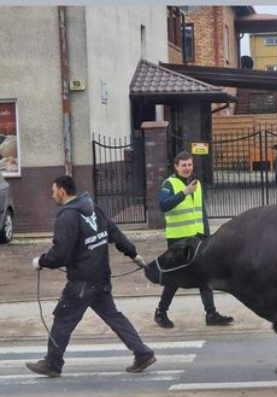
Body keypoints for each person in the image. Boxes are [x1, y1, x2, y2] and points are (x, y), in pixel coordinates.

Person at [26, 176, 156, 378]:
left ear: (62, 191)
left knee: (63, 319)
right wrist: (133, 253)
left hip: (82, 280)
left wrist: (41, 262)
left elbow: (60, 254)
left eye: (53, 191)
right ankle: (143, 353)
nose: (52, 195)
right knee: (113, 316)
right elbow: (114, 232)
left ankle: (52, 363)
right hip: (101, 277)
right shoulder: (93, 208)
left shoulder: (67, 216)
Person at [154, 151, 234, 328]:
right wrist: (183, 193)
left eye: (189, 164)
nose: (187, 168)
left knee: (204, 275)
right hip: (178, 239)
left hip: (197, 237)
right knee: (175, 278)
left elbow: (200, 211)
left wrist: (206, 234)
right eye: (183, 165)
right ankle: (161, 312)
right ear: (176, 167)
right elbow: (163, 205)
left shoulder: (196, 183)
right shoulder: (170, 184)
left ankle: (211, 314)